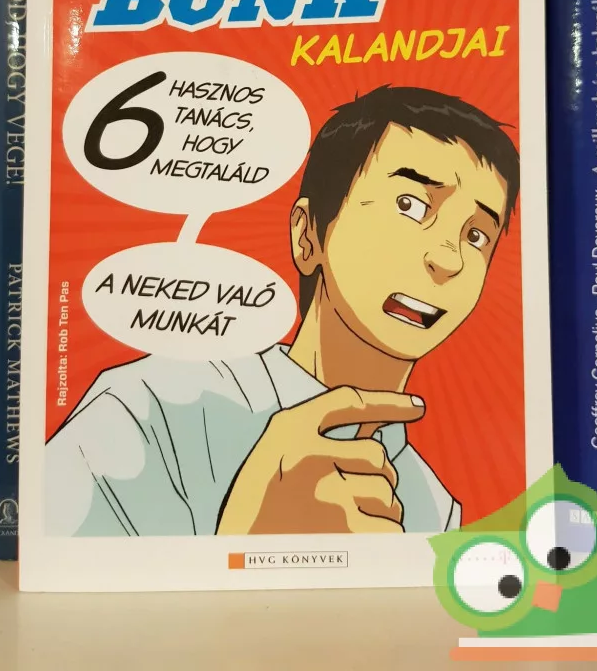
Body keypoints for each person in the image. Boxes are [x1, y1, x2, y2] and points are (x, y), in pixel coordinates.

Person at [45, 85, 519, 537]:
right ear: (308, 235)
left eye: (477, 235)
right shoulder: (151, 406)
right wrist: (251, 537)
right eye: (410, 205)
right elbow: (58, 574)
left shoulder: (434, 504)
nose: (448, 259)